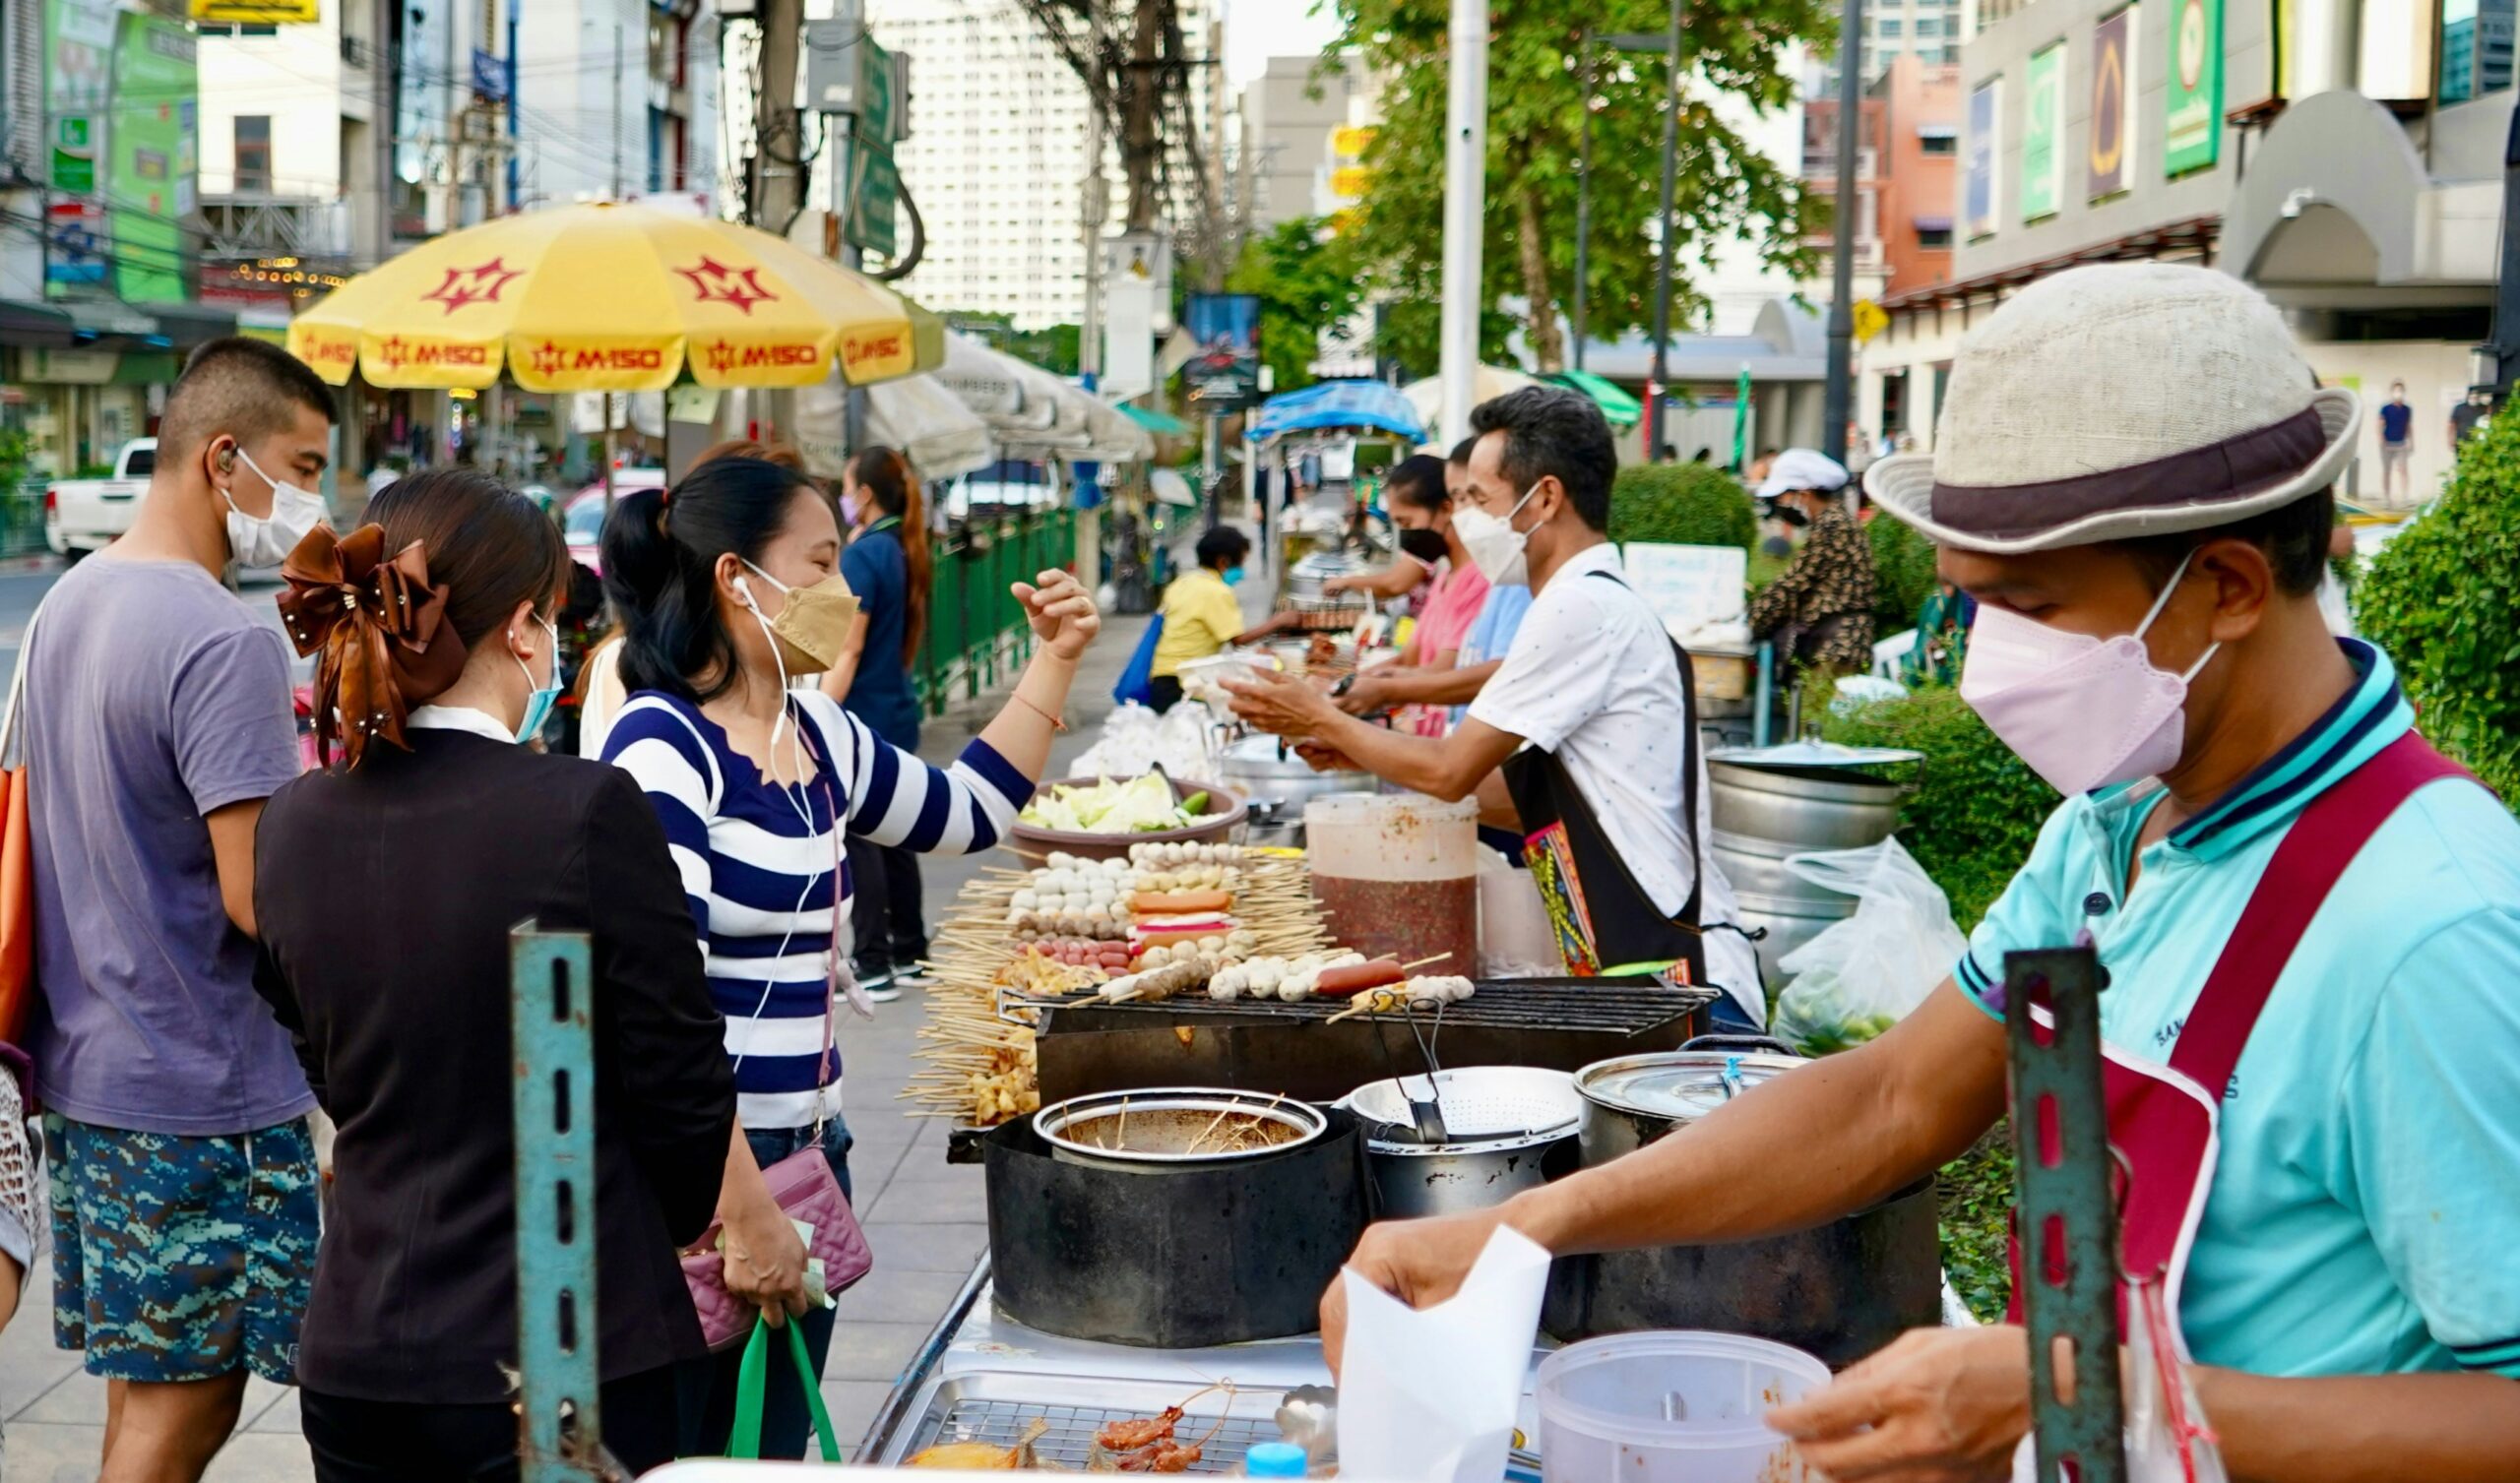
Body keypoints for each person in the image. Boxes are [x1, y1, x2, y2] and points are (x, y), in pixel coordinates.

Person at [1320, 266, 2520, 1482]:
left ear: (2226, 586)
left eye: (2031, 604)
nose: (1994, 660)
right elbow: (1891, 1097)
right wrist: (1522, 1227)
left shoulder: (2428, 926)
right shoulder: (2114, 826)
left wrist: (2087, 1393)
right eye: (1971, 603)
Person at [598, 456, 1098, 1459]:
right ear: (737, 578)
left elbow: (969, 810)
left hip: (808, 1163)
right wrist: (741, 1210)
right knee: (689, 1461)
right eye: (820, 563)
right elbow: (653, 1009)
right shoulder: (661, 747)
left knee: (772, 1455)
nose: (842, 588)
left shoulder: (814, 729)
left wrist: (1055, 659)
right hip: (701, 1190)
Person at [251, 469, 735, 1482]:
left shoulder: (294, 821)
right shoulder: (583, 810)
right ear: (524, 627)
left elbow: (327, 1062)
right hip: (562, 1357)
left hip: (359, 1354)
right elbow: (684, 1090)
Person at [24, 338, 330, 1483]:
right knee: (182, 1414)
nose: (308, 501)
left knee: (141, 1397)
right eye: (299, 467)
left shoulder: (69, 602)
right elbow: (260, 898)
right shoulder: (222, 636)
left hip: (96, 1074)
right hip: (203, 1095)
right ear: (223, 458)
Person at [1226, 387, 1762, 1022]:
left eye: (1478, 500)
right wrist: (1348, 750)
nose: (1464, 521)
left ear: (1545, 498)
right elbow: (1517, 798)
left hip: (1687, 988)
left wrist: (1322, 716)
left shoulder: (1580, 606)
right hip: (1649, 975)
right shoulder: (1587, 600)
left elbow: (1451, 770)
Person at [578, 439, 809, 760]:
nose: (836, 585)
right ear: (732, 572)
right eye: (818, 559)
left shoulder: (799, 660)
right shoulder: (628, 665)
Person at [817, 446, 935, 1002]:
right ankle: (911, 949)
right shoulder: (904, 547)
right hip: (896, 707)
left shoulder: (864, 554)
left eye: (846, 485)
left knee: (860, 836)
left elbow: (849, 648)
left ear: (863, 493)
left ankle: (873, 961)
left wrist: (815, 714)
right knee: (897, 833)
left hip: (862, 711)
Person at [1747, 448, 1877, 678]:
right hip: (1836, 644)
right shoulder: (1833, 522)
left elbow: (1795, 583)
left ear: (1804, 494)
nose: (1780, 504)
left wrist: (1751, 621)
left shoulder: (1832, 527)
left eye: (1783, 496)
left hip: (1838, 647)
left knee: (1815, 713)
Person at [1148, 525, 1283, 712]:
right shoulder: (1217, 592)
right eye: (1240, 564)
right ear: (1223, 562)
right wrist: (1279, 622)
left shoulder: (1183, 582)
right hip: (1184, 683)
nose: (1241, 571)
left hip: (1160, 678)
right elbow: (1238, 640)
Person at [2376, 380, 2414, 504]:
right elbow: (2379, 424)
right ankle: (2386, 497)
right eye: (2396, 390)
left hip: (2401, 443)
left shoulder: (2407, 409)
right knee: (2386, 471)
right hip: (2387, 443)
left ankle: (2405, 496)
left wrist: (2411, 441)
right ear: (2392, 392)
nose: (2398, 393)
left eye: (2400, 391)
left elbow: (2408, 425)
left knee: (2403, 469)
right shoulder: (2385, 408)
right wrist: (2381, 439)